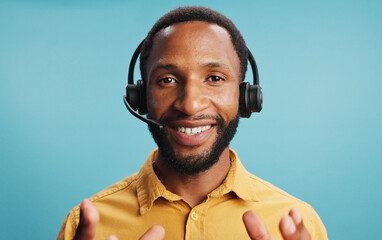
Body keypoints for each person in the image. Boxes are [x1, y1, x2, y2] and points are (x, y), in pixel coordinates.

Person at [58, 6, 327, 240]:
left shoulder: (299, 223)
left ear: (245, 97)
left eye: (215, 78)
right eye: (168, 80)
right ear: (141, 97)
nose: (190, 104)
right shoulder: (85, 226)